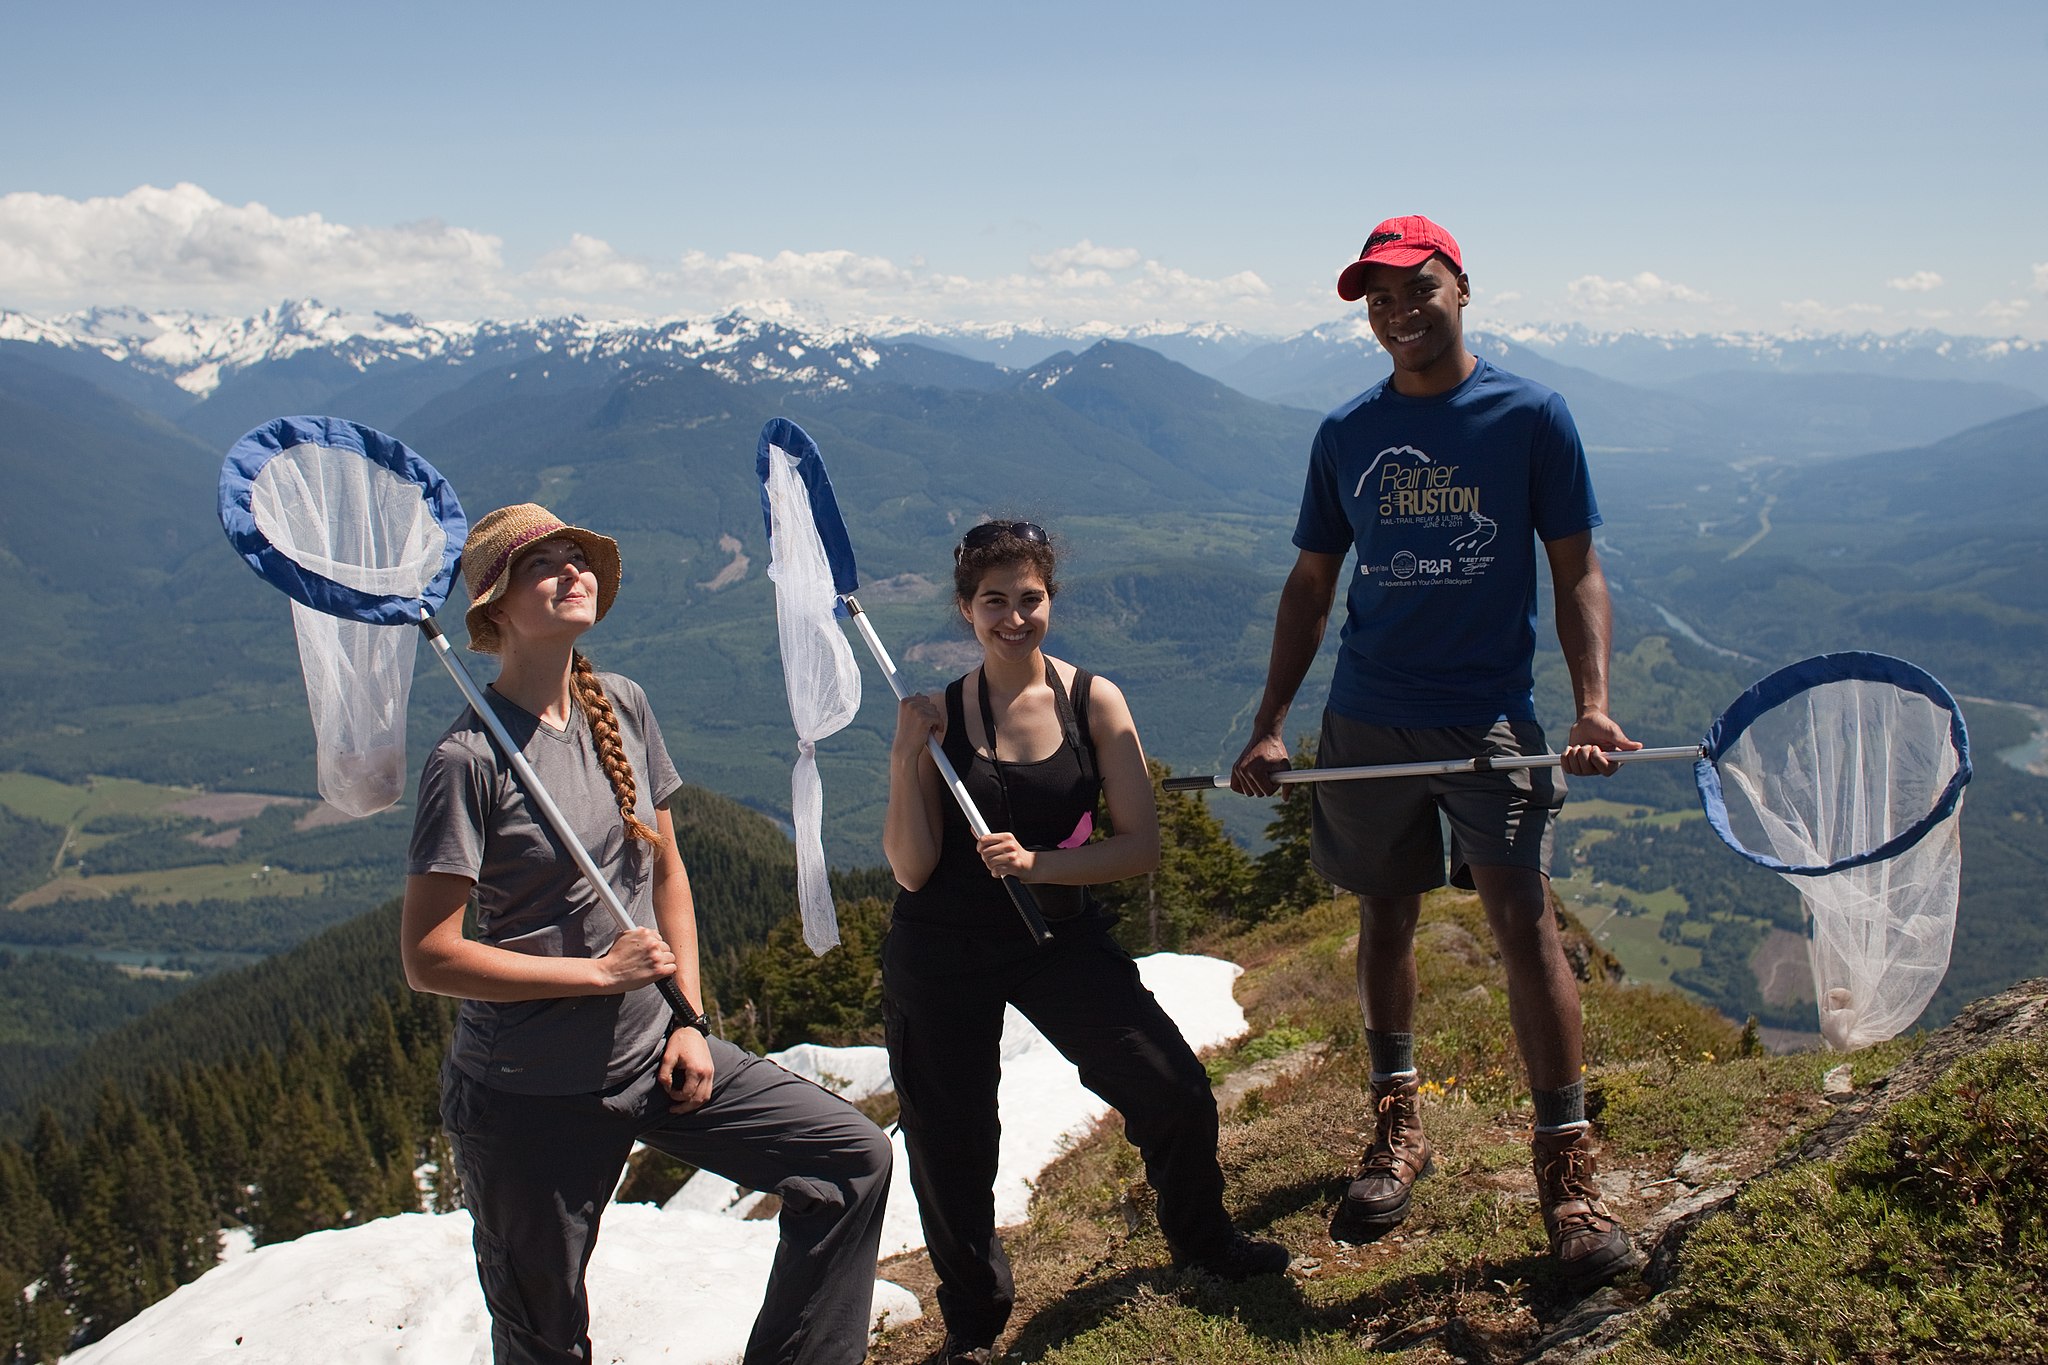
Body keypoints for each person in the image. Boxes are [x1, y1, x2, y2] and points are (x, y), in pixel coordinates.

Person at [1229, 215, 1643, 1290]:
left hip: (1486, 717)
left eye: (1416, 290)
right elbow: (1312, 585)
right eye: (1376, 299)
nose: (1397, 313)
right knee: (1384, 914)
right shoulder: (1345, 433)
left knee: (1521, 918)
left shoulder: (1528, 416)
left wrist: (1591, 705)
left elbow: (1577, 572)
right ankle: (1396, 1124)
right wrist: (1271, 720)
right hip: (1365, 718)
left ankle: (1565, 1169)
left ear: (1461, 286)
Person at [401, 503, 893, 1365]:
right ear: (496, 610)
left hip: (651, 1050)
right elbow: (429, 956)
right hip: (529, 1092)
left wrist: (690, 1022)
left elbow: (668, 875)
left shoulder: (620, 704)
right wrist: (599, 975)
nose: (572, 571)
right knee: (545, 1335)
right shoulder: (468, 758)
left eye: (577, 556)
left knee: (850, 1160)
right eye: (542, 564)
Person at [883, 521, 1289, 1365]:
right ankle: (972, 1321)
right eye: (993, 601)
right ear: (966, 609)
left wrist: (1040, 862)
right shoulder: (940, 717)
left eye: (1029, 598)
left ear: (1050, 600)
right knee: (951, 1138)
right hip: (941, 943)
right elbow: (914, 870)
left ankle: (1203, 1239)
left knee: (1171, 1085)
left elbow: (1139, 846)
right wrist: (902, 762)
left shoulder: (1089, 700)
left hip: (1055, 931)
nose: (1013, 617)